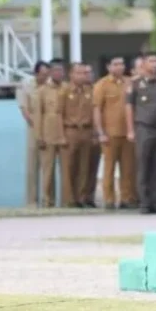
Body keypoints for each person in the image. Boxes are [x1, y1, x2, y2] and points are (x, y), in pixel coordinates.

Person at [126, 52, 156, 214]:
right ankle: (144, 202)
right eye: (151, 61)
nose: (154, 64)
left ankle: (155, 202)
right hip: (143, 128)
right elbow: (129, 107)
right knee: (143, 165)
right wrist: (130, 130)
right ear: (143, 64)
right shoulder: (135, 83)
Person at [94, 56, 137, 210]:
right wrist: (100, 132)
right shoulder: (102, 85)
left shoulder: (130, 82)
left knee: (128, 169)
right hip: (110, 134)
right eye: (116, 64)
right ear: (108, 67)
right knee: (109, 168)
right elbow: (97, 110)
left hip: (128, 133)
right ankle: (109, 199)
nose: (120, 67)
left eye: (122, 64)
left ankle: (126, 198)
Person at [60, 63, 96, 208]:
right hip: (70, 130)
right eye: (79, 73)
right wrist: (60, 136)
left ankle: (81, 198)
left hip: (86, 131)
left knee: (84, 167)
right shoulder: (64, 91)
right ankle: (69, 199)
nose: (82, 76)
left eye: (84, 73)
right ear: (71, 75)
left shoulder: (90, 91)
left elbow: (94, 113)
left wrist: (94, 133)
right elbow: (59, 114)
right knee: (69, 167)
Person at [32, 59, 66, 208]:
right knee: (48, 171)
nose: (59, 73)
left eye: (61, 70)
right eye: (56, 70)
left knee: (66, 170)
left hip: (65, 135)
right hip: (48, 135)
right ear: (50, 72)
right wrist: (39, 136)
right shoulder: (42, 91)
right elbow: (37, 115)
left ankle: (67, 201)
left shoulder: (67, 88)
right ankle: (47, 201)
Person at [18, 61, 50, 207]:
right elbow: (24, 109)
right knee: (32, 166)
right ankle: (31, 201)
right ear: (36, 73)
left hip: (49, 129)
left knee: (48, 167)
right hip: (33, 129)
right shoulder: (26, 85)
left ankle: (48, 200)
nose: (45, 77)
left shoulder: (50, 86)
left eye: (47, 74)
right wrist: (36, 125)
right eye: (43, 74)